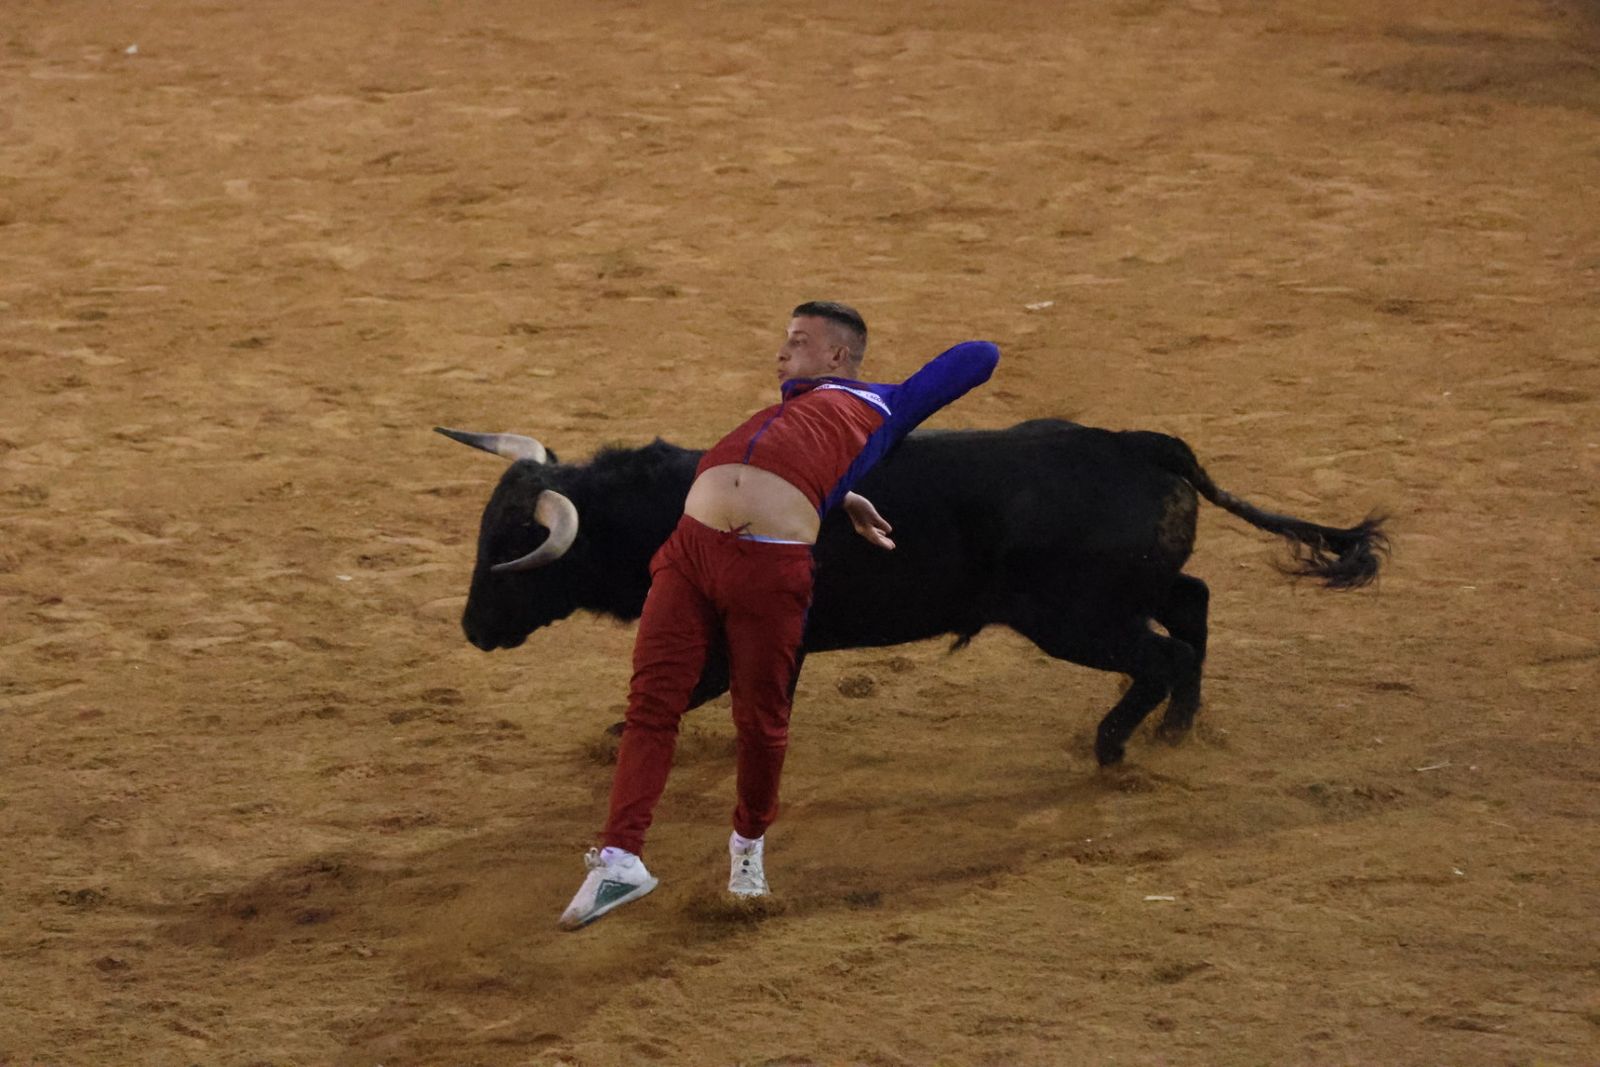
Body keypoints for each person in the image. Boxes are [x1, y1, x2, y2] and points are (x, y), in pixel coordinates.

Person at [559, 301, 999, 930]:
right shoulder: (784, 413)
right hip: (688, 551)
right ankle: (621, 857)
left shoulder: (882, 405)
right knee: (651, 706)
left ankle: (747, 853)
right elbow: (790, 464)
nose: (781, 351)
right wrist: (838, 490)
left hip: (769, 567)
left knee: (760, 720)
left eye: (798, 340)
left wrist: (885, 409)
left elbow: (981, 354)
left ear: (838, 355)